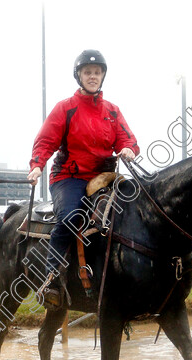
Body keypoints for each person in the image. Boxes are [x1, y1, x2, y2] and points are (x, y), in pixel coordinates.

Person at [27, 49, 140, 307]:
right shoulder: (65, 108)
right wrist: (37, 166)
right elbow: (45, 141)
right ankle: (51, 278)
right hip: (69, 177)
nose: (92, 76)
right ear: (79, 76)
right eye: (88, 72)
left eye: (97, 72)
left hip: (105, 177)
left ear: (102, 76)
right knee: (69, 219)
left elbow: (128, 139)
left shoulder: (112, 110)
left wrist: (129, 149)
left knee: (135, 210)